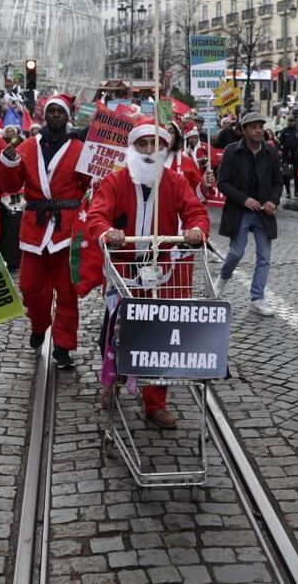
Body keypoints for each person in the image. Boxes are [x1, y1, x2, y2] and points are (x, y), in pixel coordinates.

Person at [87, 117, 210, 428]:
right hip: (124, 273)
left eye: (154, 144)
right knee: (114, 335)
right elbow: (97, 214)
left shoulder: (175, 181)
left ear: (164, 148)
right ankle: (111, 384)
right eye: (141, 144)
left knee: (159, 341)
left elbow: (194, 211)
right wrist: (107, 232)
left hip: (161, 273)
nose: (147, 151)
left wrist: (196, 229)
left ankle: (155, 403)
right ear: (132, 148)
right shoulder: (116, 181)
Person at [0, 94, 89, 369]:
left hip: (67, 229)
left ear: (67, 116)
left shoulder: (80, 148)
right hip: (35, 228)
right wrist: (8, 162)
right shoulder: (27, 146)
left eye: (60, 112)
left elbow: (89, 184)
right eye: (51, 111)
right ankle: (39, 324)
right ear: (44, 115)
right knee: (29, 288)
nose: (55, 116)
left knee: (67, 290)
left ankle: (63, 345)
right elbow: (12, 186)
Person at [213, 112, 283, 316]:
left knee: (264, 257)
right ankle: (221, 280)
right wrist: (243, 199)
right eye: (253, 127)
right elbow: (223, 183)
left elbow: (278, 182)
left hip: (264, 213)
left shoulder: (270, 152)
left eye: (260, 126)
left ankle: (257, 298)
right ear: (243, 131)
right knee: (236, 253)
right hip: (239, 211)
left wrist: (273, 201)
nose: (259, 130)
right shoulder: (232, 151)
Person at [278, 116, 298, 198]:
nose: (290, 122)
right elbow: (278, 142)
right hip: (286, 156)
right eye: (289, 121)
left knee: (297, 174)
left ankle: (296, 191)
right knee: (286, 174)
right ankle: (288, 191)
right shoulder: (283, 131)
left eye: (292, 121)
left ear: (295, 121)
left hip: (296, 156)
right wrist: (279, 151)